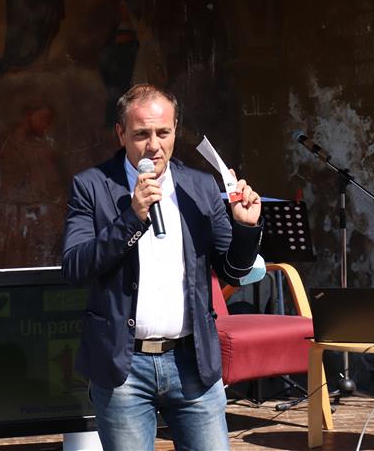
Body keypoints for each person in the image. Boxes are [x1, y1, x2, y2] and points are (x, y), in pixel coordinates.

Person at [61, 84, 263, 450]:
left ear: (175, 131)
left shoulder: (200, 187)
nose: (153, 145)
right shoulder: (91, 186)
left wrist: (246, 229)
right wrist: (132, 218)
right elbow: (75, 267)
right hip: (124, 367)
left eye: (163, 132)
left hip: (192, 362)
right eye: (142, 134)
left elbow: (232, 271)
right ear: (121, 133)